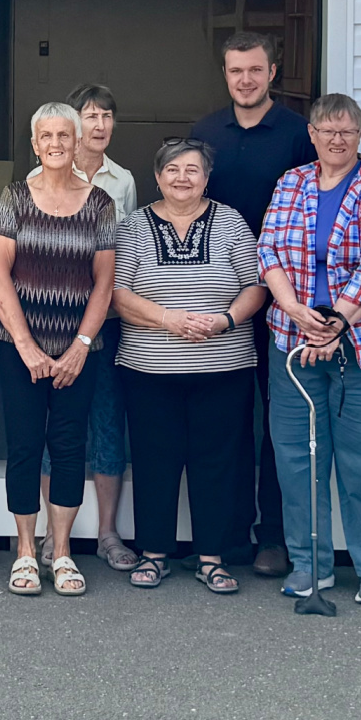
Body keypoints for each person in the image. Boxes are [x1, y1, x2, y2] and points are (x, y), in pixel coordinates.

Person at [258, 92, 361, 608]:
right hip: (293, 341)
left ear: (359, 134)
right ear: (312, 135)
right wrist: (295, 310)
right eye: (327, 131)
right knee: (299, 462)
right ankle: (310, 564)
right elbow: (270, 250)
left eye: (346, 131)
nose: (337, 139)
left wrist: (335, 325)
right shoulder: (292, 182)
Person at [112, 139, 267, 591]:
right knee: (153, 459)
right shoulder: (135, 227)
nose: (182, 177)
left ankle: (212, 557)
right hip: (148, 369)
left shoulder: (231, 223)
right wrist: (168, 319)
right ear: (157, 177)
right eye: (173, 169)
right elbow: (118, 295)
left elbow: (256, 286)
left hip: (223, 367)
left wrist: (224, 320)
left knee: (216, 462)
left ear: (206, 177)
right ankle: (154, 553)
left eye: (193, 170)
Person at [189, 31, 315, 578]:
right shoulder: (205, 131)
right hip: (217, 303)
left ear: (273, 71)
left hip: (283, 302)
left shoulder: (295, 134)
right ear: (225, 73)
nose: (246, 80)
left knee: (278, 424)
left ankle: (274, 538)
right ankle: (228, 535)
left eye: (255, 70)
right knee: (228, 422)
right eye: (236, 70)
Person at [0, 103, 118, 596]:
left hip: (77, 353)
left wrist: (81, 347)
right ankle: (25, 550)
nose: (57, 143)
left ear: (79, 139)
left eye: (66, 134)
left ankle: (60, 551)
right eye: (47, 136)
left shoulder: (100, 203)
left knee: (68, 448)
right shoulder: (16, 197)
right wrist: (26, 346)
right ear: (35, 143)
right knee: (24, 447)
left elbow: (104, 284)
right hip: (18, 348)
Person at [26, 84, 139, 573]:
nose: (98, 125)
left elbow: (125, 253)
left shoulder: (123, 180)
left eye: (106, 115)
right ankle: (54, 537)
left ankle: (109, 531)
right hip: (51, 323)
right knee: (59, 428)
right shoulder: (35, 177)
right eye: (89, 116)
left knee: (107, 421)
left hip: (107, 320)